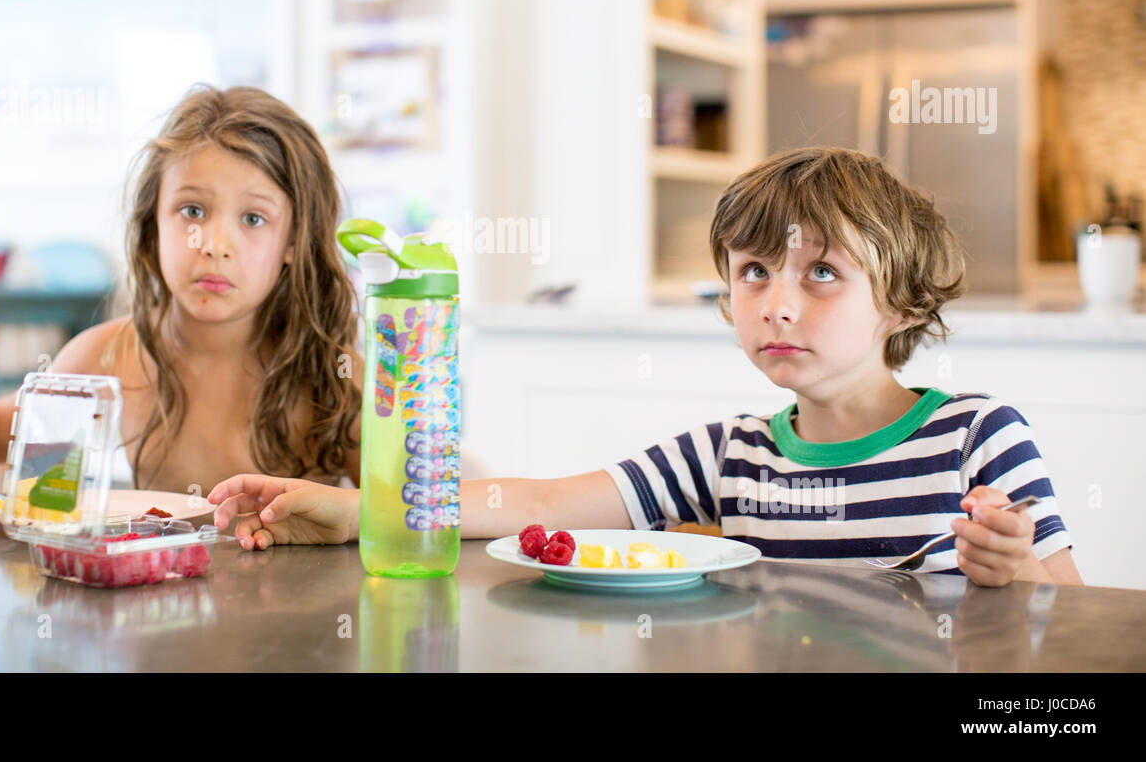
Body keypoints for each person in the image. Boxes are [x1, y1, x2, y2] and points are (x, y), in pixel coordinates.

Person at [208, 146, 1081, 587]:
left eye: (822, 272)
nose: (777, 301)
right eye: (752, 272)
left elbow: (1067, 643)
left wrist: (1022, 575)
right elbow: (541, 504)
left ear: (897, 300)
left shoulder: (979, 437)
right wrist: (360, 509)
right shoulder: (728, 454)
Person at [0, 85, 363, 495]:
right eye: (192, 211)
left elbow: (430, 510)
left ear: (294, 240)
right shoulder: (112, 356)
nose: (213, 243)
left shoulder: (331, 378)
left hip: (292, 626)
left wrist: (346, 513)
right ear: (152, 223)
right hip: (161, 621)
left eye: (253, 218)